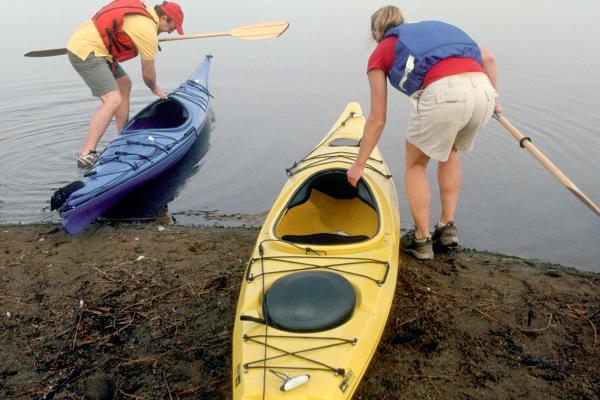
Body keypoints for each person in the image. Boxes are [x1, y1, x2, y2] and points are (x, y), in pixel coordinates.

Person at [347, 5, 500, 260]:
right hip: (483, 89)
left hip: (444, 94)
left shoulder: (383, 49)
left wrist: (359, 164)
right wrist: (494, 99)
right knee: (449, 151)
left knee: (416, 164)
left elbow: (377, 119)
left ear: (376, 32)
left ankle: (421, 239)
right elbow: (489, 57)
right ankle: (447, 227)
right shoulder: (431, 29)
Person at [66, 0, 185, 168]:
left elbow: (132, 32)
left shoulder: (144, 18)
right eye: (172, 27)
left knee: (124, 84)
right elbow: (148, 73)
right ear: (164, 18)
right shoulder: (147, 31)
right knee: (113, 100)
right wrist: (155, 88)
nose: (172, 31)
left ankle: (121, 135)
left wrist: (151, 39)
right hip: (87, 52)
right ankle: (86, 154)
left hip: (96, 48)